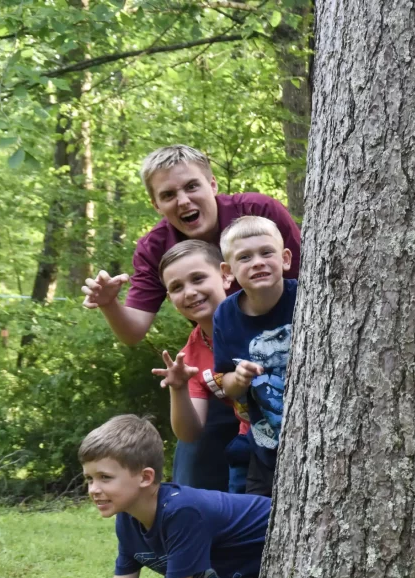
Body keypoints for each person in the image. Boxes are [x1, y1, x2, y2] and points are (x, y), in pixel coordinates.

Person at [81, 145, 302, 491]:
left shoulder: (257, 215)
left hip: (284, 356)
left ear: (212, 184)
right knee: (194, 474)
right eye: (168, 194)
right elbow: (134, 330)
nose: (183, 201)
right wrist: (111, 305)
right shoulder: (156, 248)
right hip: (218, 362)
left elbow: (309, 287)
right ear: (156, 204)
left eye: (191, 187)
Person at [79, 415, 270, 578]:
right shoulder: (127, 519)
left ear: (145, 477)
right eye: (89, 478)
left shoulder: (182, 512)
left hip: (269, 566)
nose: (94, 489)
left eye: (105, 478)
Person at [151, 241, 254, 494]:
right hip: (252, 444)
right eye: (177, 287)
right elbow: (190, 432)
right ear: (170, 298)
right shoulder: (191, 355)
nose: (189, 292)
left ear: (225, 275)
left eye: (198, 278)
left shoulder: (261, 312)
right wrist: (178, 388)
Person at [212, 216, 297, 498]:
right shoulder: (225, 316)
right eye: (245, 257)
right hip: (265, 447)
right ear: (228, 271)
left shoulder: (305, 296)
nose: (257, 262)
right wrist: (242, 377)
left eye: (266, 252)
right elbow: (226, 383)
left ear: (285, 258)